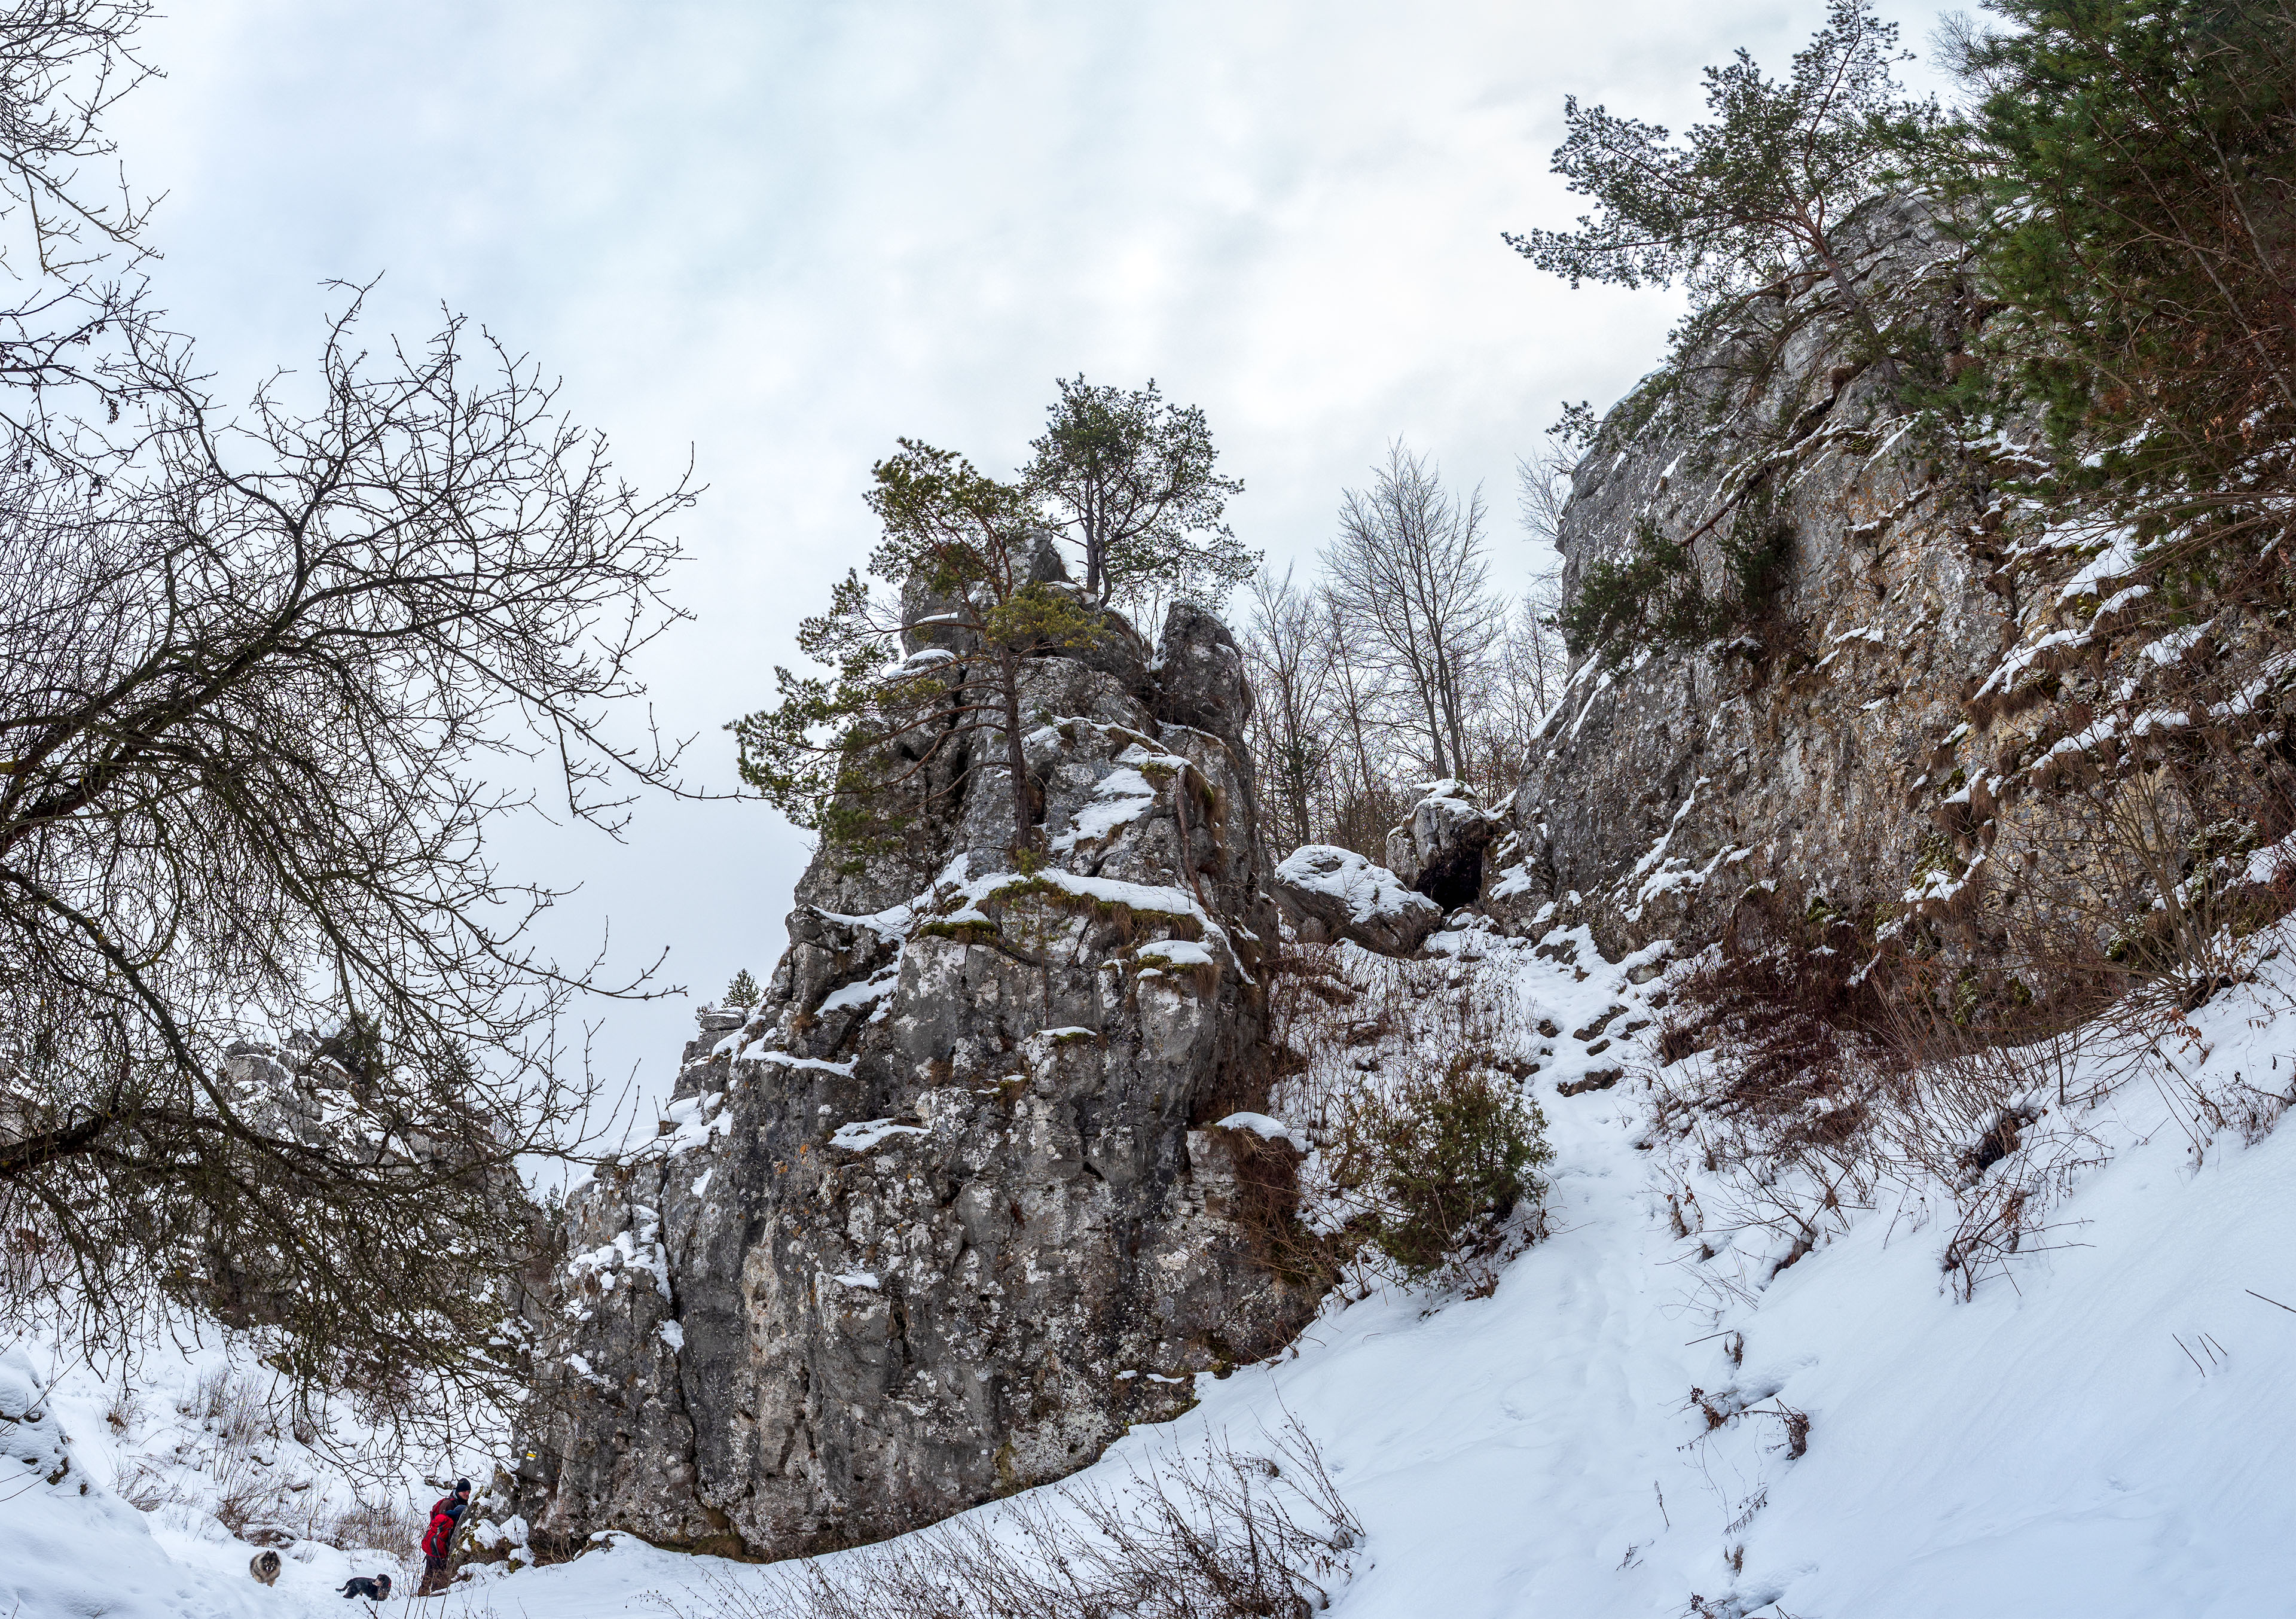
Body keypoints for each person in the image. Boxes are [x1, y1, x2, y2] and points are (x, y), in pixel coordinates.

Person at [417, 1479, 472, 1595]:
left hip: (437, 1547)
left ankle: (424, 1597)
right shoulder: (449, 1504)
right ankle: (431, 1600)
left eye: (468, 1491)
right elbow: (441, 1526)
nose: (467, 1494)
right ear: (458, 1491)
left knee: (430, 1575)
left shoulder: (462, 1502)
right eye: (464, 1491)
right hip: (439, 1547)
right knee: (436, 1578)